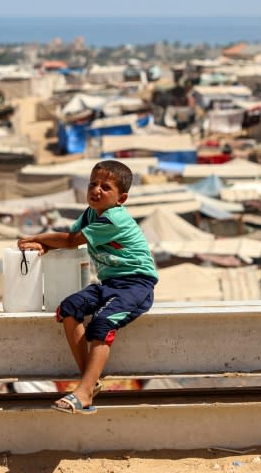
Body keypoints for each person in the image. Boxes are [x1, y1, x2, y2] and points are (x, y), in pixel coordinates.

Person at [17, 160, 158, 414]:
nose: (97, 190)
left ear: (121, 198)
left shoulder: (113, 219)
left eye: (106, 187)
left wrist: (37, 238)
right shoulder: (91, 214)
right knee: (69, 309)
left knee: (102, 324)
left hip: (136, 284)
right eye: (93, 184)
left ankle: (83, 391)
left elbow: (72, 241)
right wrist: (46, 246)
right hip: (110, 283)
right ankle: (88, 385)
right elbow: (68, 239)